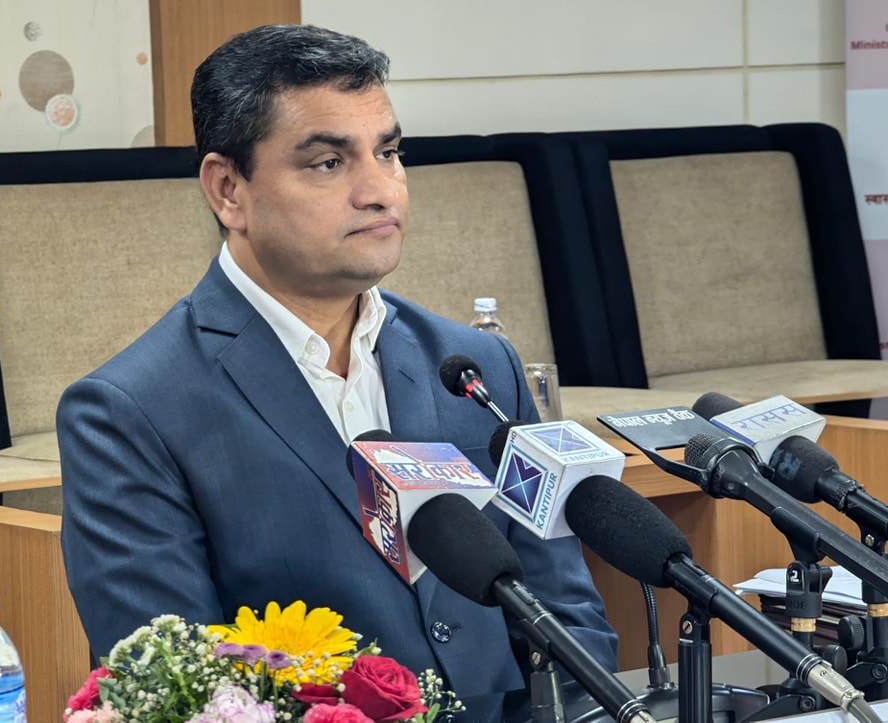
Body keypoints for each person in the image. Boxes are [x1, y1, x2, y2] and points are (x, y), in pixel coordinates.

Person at [58, 23, 617, 721]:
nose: (380, 190)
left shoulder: (477, 368)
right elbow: (178, 692)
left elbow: (566, 618)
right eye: (328, 162)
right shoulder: (128, 410)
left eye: (389, 152)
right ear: (228, 189)